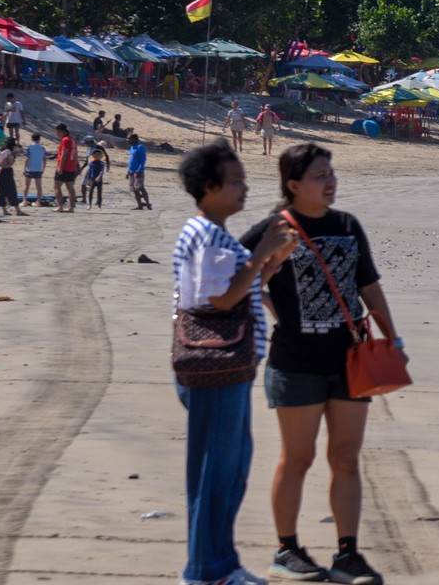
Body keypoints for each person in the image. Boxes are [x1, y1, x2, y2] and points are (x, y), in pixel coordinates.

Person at [240, 143, 402, 585]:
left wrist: (392, 335)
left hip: (351, 358)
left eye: (331, 173)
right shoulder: (274, 229)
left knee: (346, 458)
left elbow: (367, 286)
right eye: (319, 176)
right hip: (295, 361)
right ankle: (286, 550)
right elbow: (234, 278)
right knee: (298, 458)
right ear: (293, 185)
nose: (330, 182)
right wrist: (271, 294)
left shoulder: (348, 225)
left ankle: (347, 555)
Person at [172, 143, 296, 585]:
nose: (245, 189)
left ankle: (220, 563)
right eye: (236, 181)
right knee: (215, 472)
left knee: (230, 468)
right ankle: (206, 571)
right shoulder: (205, 234)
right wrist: (262, 250)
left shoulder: (212, 233)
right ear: (209, 188)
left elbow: (238, 287)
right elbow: (220, 299)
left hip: (226, 366)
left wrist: (269, 261)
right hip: (214, 365)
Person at [53, 122, 79, 212]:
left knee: (57, 186)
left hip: (64, 167)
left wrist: (60, 167)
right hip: (72, 167)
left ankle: (60, 207)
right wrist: (76, 164)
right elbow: (76, 153)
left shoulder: (65, 140)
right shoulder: (72, 139)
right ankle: (71, 208)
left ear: (61, 131)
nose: (57, 134)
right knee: (70, 188)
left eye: (57, 132)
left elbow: (64, 154)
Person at [0, 138, 22, 216]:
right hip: (7, 171)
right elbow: (10, 163)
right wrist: (14, 156)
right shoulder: (8, 152)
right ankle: (18, 210)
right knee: (12, 190)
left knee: (2, 191)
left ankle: (4, 210)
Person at [126, 132, 153, 210]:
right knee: (134, 189)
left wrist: (139, 169)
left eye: (129, 139)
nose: (128, 140)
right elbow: (131, 160)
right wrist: (128, 171)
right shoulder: (131, 148)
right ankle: (140, 205)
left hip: (139, 172)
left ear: (134, 139)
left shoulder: (140, 147)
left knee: (140, 188)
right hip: (131, 171)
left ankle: (148, 204)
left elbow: (143, 159)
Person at [22, 132, 46, 207]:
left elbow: (27, 158)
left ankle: (24, 201)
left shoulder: (30, 147)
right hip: (38, 169)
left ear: (32, 139)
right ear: (39, 139)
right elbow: (44, 159)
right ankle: (38, 202)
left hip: (30, 168)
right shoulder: (42, 148)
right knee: (39, 187)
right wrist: (43, 168)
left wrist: (24, 168)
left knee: (26, 185)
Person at [84, 142, 109, 208]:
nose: (96, 156)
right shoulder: (91, 163)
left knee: (99, 192)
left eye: (98, 155)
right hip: (92, 179)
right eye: (95, 155)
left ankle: (99, 206)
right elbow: (89, 172)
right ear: (93, 156)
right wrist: (88, 181)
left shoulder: (101, 164)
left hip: (99, 179)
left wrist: (99, 177)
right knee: (91, 192)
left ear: (100, 156)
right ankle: (90, 205)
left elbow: (102, 171)